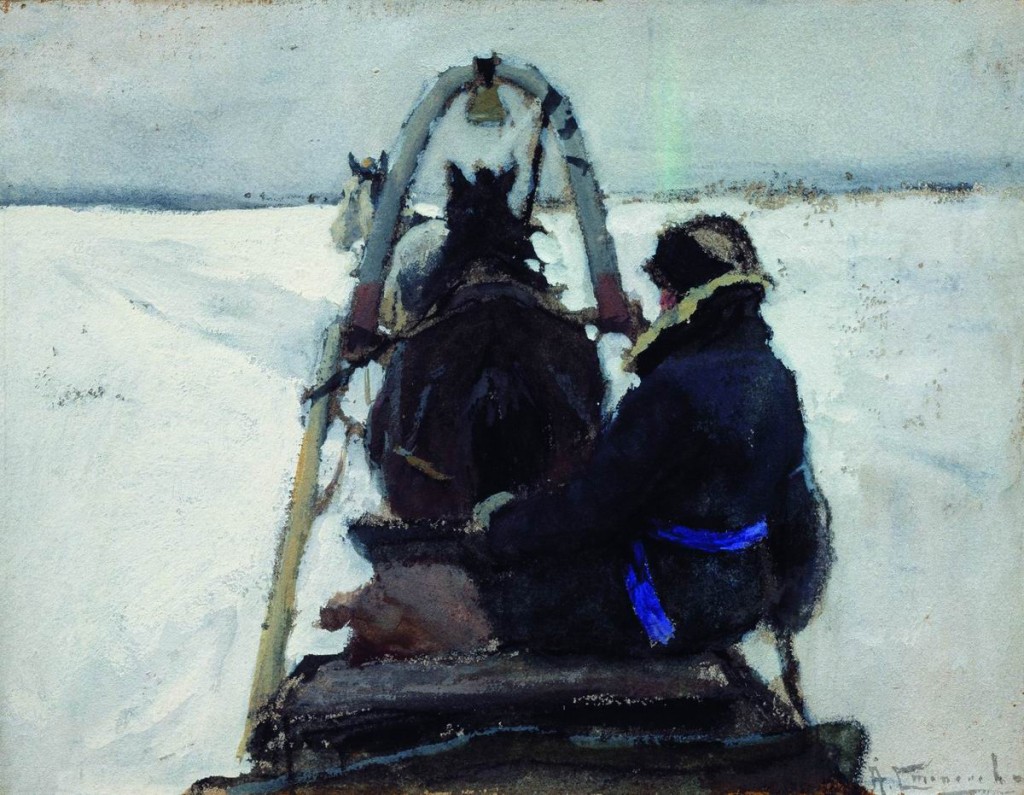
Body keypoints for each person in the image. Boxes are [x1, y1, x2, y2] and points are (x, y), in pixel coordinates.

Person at [475, 214, 833, 661]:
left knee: (498, 597)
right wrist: (791, 606)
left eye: (666, 288)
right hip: (740, 603)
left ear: (686, 298)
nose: (660, 301)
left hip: (665, 606)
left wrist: (503, 526)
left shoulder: (672, 389)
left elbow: (596, 507)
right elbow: (796, 506)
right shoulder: (773, 377)